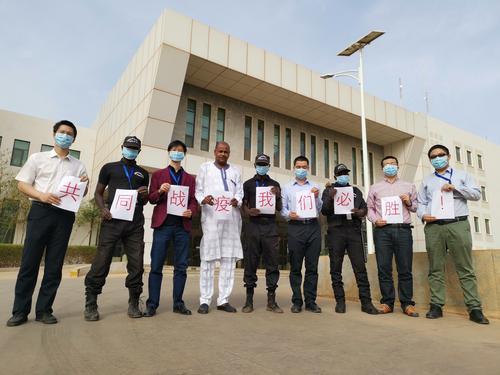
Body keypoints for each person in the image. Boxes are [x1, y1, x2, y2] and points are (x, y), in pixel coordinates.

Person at [7, 120, 88, 327]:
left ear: (73, 139)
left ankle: (44, 310)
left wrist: (84, 185)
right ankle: (20, 311)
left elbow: (81, 193)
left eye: (69, 133)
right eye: (62, 132)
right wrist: (41, 196)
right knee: (29, 263)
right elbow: (22, 184)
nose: (65, 136)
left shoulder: (78, 165)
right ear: (54, 134)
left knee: (54, 265)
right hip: (40, 211)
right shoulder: (38, 158)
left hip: (64, 215)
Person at [417, 144, 489, 324]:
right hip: (434, 227)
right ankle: (436, 305)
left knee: (465, 267)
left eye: (441, 155)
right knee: (435, 268)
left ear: (449, 157)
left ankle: (474, 308)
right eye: (433, 156)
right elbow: (421, 202)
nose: (437, 158)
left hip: (458, 224)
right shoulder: (427, 180)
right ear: (430, 160)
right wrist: (423, 214)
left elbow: (476, 194)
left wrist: (456, 188)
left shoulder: (463, 175)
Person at [84, 136, 149, 321]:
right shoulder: (109, 168)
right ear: (122, 148)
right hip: (112, 220)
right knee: (102, 261)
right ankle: (91, 302)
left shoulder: (142, 173)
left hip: (135, 222)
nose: (131, 150)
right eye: (128, 147)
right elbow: (98, 193)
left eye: (135, 148)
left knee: (136, 263)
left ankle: (134, 302)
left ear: (138, 151)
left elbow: (143, 201)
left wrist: (144, 196)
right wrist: (103, 209)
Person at [143, 140, 198, 317]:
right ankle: (152, 304)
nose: (177, 153)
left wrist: (192, 211)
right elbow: (151, 198)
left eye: (180, 151)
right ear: (169, 152)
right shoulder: (159, 175)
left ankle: (178, 303)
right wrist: (160, 191)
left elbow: (193, 200)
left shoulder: (190, 178)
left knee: (181, 266)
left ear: (184, 155)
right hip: (163, 225)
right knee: (156, 265)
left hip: (182, 226)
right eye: (174, 150)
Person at [321, 163, 378, 315]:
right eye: (340, 174)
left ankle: (366, 302)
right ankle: (340, 301)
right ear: (335, 176)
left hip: (353, 231)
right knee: (336, 268)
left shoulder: (355, 191)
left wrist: (360, 212)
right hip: (336, 231)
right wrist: (331, 198)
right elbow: (324, 211)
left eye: (346, 173)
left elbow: (364, 209)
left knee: (360, 267)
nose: (344, 176)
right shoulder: (328, 190)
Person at [367, 156, 419, 317]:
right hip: (383, 231)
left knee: (405, 268)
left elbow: (416, 207)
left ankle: (407, 303)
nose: (390, 166)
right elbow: (369, 209)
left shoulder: (408, 186)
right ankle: (387, 302)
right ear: (382, 168)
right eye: (386, 164)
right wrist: (376, 220)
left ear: (397, 166)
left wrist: (409, 201)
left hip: (403, 230)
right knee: (384, 268)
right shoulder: (375, 188)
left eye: (392, 164)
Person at [195, 141, 243, 314]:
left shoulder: (235, 171)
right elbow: (198, 191)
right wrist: (203, 199)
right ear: (215, 152)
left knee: (228, 261)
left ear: (229, 153)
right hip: (211, 221)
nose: (223, 154)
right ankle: (205, 300)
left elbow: (240, 192)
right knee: (208, 260)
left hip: (231, 221)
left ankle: (223, 300)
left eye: (226, 151)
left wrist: (238, 200)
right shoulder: (205, 168)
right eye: (220, 151)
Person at [241, 154, 283, 313]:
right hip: (253, 226)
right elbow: (242, 206)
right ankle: (249, 300)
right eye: (259, 164)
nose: (262, 166)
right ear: (255, 165)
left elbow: (279, 207)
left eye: (264, 164)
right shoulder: (248, 184)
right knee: (251, 262)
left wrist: (277, 195)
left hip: (270, 226)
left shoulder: (275, 184)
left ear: (269, 165)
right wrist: (248, 211)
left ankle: (271, 300)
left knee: (272, 262)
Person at [281, 156, 322, 313]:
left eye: (304, 167)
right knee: (296, 266)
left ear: (308, 168)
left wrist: (317, 197)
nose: (301, 169)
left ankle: (311, 301)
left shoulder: (315, 187)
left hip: (312, 227)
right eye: (298, 166)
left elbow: (319, 209)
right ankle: (297, 300)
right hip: (295, 227)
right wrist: (288, 215)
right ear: (294, 168)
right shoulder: (287, 188)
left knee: (312, 267)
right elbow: (282, 208)